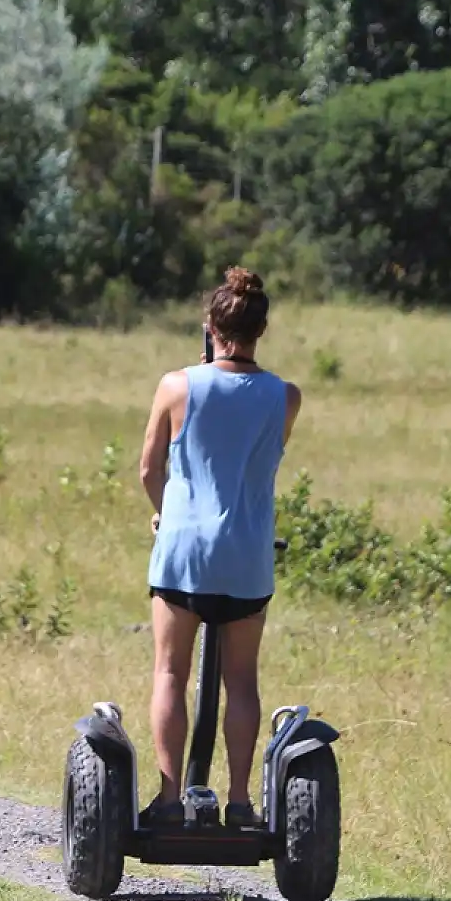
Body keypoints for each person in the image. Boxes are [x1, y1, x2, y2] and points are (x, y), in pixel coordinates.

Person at [137, 266, 303, 828]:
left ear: (211, 325)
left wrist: (165, 514)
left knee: (169, 674)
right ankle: (238, 802)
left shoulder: (177, 385)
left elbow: (148, 469)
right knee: (243, 682)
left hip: (184, 550)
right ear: (263, 328)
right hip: (246, 555)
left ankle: (167, 798)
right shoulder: (285, 397)